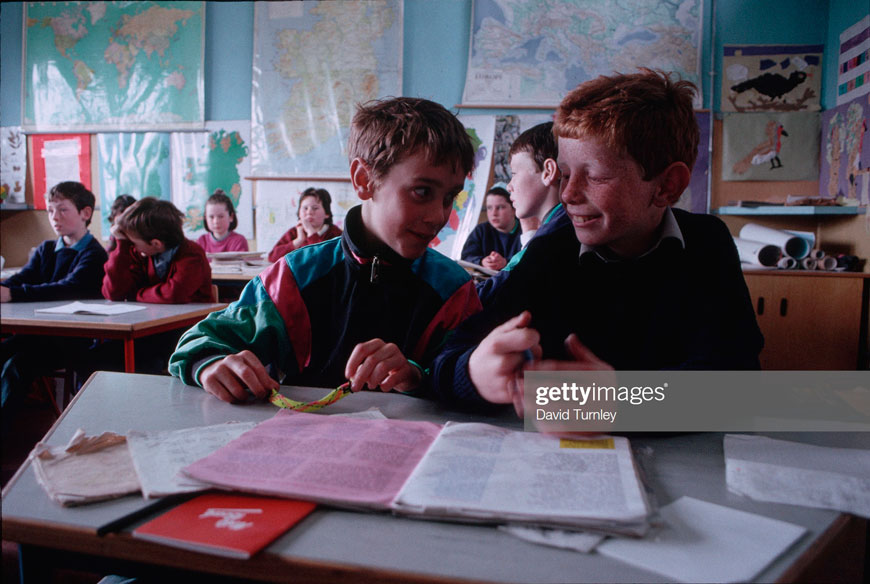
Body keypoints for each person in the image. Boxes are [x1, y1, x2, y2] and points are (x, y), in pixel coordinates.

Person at [431, 69, 764, 410]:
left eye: (595, 176)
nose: (568, 194)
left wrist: (615, 402)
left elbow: (738, 384)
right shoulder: (554, 248)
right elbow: (448, 356)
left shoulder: (706, 243)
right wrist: (473, 374)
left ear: (667, 185)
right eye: (564, 175)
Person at [169, 97, 482, 404]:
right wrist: (209, 363)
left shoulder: (453, 289)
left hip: (420, 451)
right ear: (364, 180)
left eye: (449, 197)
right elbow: (198, 341)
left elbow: (475, 375)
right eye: (422, 191)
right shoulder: (294, 277)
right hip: (305, 447)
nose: (439, 216)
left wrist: (415, 377)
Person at [1, 181, 107, 418]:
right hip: (35, 334)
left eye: (62, 209)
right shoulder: (46, 249)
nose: (54, 217)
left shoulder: (94, 254)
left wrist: (12, 294)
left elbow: (66, 288)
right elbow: (21, 279)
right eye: (50, 210)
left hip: (71, 340)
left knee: (17, 366)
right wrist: (5, 288)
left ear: (85, 213)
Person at [477, 122, 568, 304]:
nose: (509, 186)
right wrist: (529, 232)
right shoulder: (558, 223)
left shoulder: (554, 235)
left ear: (548, 172)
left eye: (514, 173)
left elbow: (495, 294)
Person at [102, 197, 213, 303]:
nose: (131, 246)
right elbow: (113, 293)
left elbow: (174, 294)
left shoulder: (192, 254)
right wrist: (121, 245)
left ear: (156, 243)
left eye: (132, 242)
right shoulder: (140, 252)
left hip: (193, 321)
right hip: (150, 319)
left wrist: (134, 295)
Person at [266, 187, 342, 262]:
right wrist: (298, 240)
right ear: (299, 213)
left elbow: (322, 259)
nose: (309, 212)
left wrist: (311, 234)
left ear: (327, 213)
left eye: (315, 208)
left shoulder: (336, 234)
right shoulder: (294, 232)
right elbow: (272, 257)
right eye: (305, 208)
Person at [460, 186, 521, 271]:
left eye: (500, 207)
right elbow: (466, 256)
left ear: (514, 209)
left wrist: (506, 262)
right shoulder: (481, 230)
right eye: (489, 208)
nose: (493, 213)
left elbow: (531, 260)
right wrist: (482, 261)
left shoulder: (525, 231)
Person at [196, 189, 249, 253]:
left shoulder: (239, 241)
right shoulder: (201, 241)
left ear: (231, 217)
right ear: (205, 217)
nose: (216, 221)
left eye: (221, 216)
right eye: (211, 217)